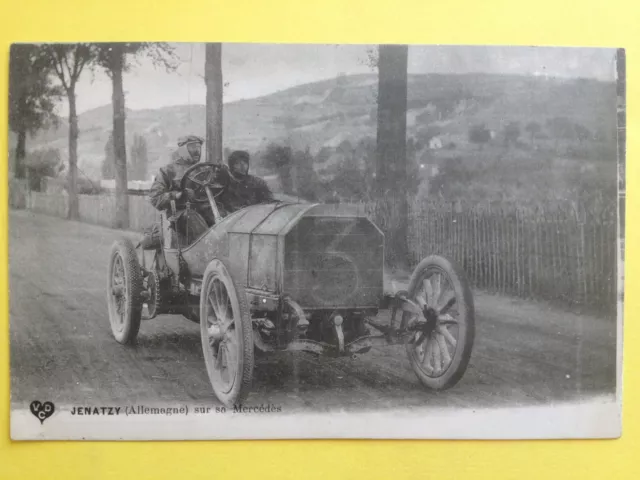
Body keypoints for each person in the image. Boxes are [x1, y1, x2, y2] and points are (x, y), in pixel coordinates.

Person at [148, 135, 213, 244]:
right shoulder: (168, 170)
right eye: (192, 147)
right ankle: (207, 249)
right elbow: (155, 198)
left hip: (203, 210)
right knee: (191, 217)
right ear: (182, 149)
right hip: (178, 215)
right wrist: (176, 195)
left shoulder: (205, 170)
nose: (197, 152)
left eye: (198, 148)